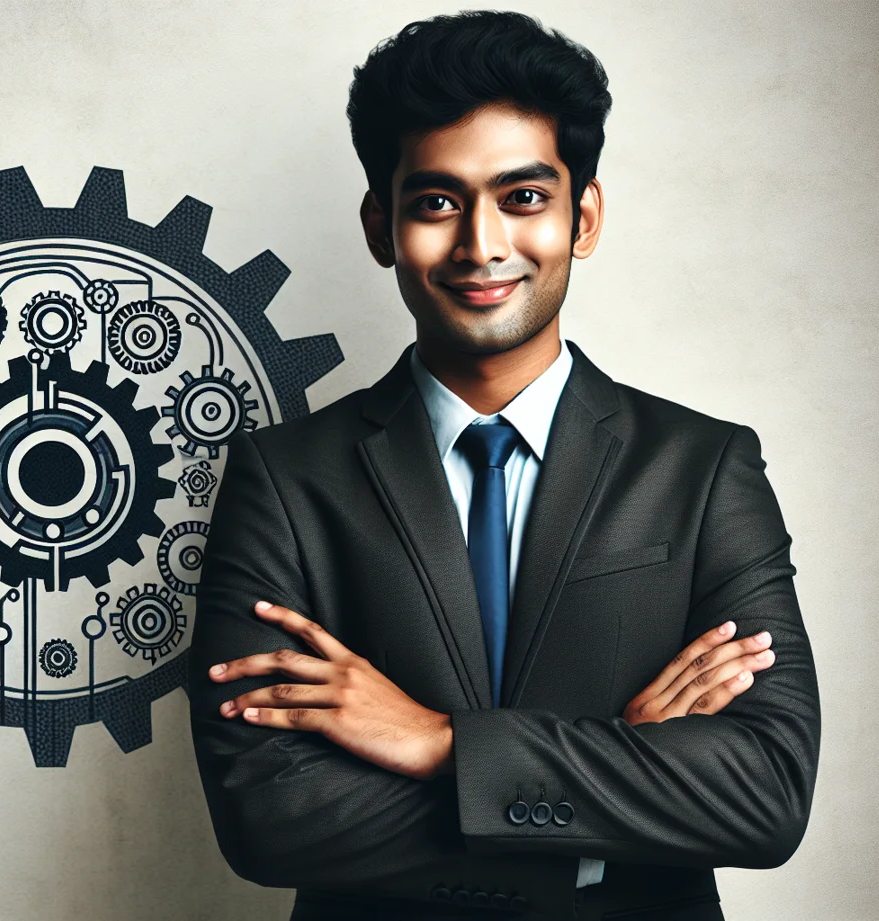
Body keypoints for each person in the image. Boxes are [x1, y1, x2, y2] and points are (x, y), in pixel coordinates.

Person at [186, 10, 821, 921]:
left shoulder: (704, 467)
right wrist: (612, 787)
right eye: (437, 202)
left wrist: (441, 743)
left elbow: (765, 790)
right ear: (381, 226)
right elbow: (269, 815)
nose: (481, 244)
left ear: (582, 217)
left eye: (522, 197)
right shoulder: (284, 480)